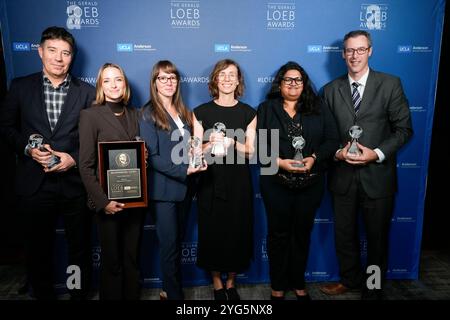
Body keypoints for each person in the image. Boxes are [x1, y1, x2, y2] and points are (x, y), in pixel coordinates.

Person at [0, 26, 94, 300]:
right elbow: (6, 127)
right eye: (52, 51)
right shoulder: (20, 86)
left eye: (65, 53)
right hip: (34, 183)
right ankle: (42, 294)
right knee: (38, 248)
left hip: (74, 184)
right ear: (40, 52)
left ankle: (77, 294)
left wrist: (73, 159)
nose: (59, 58)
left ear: (72, 57)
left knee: (79, 248)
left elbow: (96, 137)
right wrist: (28, 149)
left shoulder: (87, 92)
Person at [319, 30, 413, 300]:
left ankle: (372, 287)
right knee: (344, 235)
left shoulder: (391, 84)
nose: (354, 55)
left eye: (360, 50)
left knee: (377, 238)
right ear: (343, 54)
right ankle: (349, 280)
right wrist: (337, 152)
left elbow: (404, 130)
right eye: (350, 50)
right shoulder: (329, 91)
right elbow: (325, 135)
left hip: (378, 176)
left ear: (370, 51)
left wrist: (377, 153)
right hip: (342, 177)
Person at [256, 61, 339, 300]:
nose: (293, 84)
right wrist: (280, 162)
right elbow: (260, 147)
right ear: (279, 84)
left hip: (311, 183)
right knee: (278, 234)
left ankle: (298, 280)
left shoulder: (319, 108)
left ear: (304, 84)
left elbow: (332, 140)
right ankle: (278, 284)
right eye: (288, 80)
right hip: (275, 182)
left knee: (302, 233)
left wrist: (314, 157)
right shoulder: (266, 109)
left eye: (298, 80)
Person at [139, 60, 206, 300]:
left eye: (172, 78)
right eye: (162, 78)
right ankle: (176, 298)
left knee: (177, 244)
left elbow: (189, 148)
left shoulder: (184, 111)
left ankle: (168, 290)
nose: (168, 83)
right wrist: (185, 171)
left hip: (185, 190)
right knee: (169, 248)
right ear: (154, 82)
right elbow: (153, 158)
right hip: (163, 192)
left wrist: (199, 156)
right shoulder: (147, 113)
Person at [78, 63, 144, 300]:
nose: (114, 85)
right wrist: (103, 202)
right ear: (100, 86)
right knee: (112, 260)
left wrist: (143, 157)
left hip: (136, 201)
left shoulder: (136, 114)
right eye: (107, 80)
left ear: (125, 84)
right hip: (107, 201)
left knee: (132, 256)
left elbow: (141, 155)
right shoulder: (90, 115)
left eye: (118, 79)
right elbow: (85, 165)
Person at [194, 59, 257, 300]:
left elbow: (252, 151)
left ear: (239, 80)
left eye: (232, 75)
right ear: (215, 80)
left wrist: (232, 143)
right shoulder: (200, 112)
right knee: (212, 231)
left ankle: (231, 282)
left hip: (239, 182)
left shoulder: (249, 113)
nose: (228, 79)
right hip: (210, 180)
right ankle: (217, 282)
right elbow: (195, 150)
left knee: (237, 231)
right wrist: (210, 143)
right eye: (223, 74)